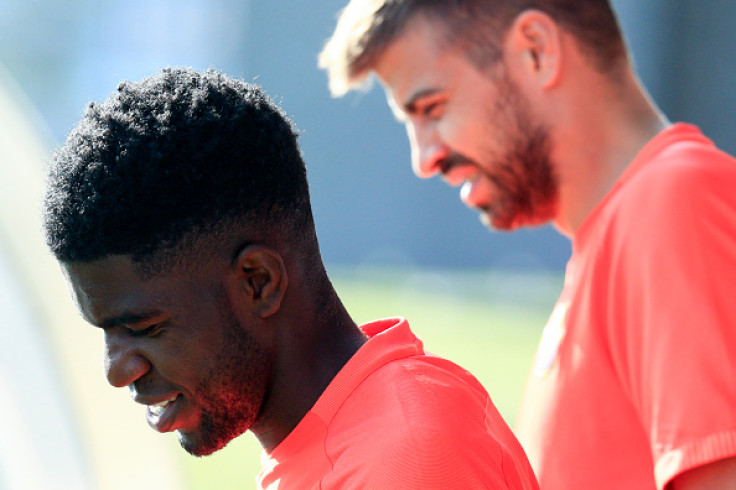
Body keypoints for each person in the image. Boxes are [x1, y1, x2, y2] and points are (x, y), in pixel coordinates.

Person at [43, 67, 539, 489]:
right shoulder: (341, 444)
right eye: (105, 331)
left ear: (258, 281)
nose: (116, 370)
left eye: (146, 328)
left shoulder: (405, 454)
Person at [318, 1, 736, 489]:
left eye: (433, 108)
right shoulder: (615, 239)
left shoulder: (674, 202)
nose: (424, 158)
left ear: (536, 51)